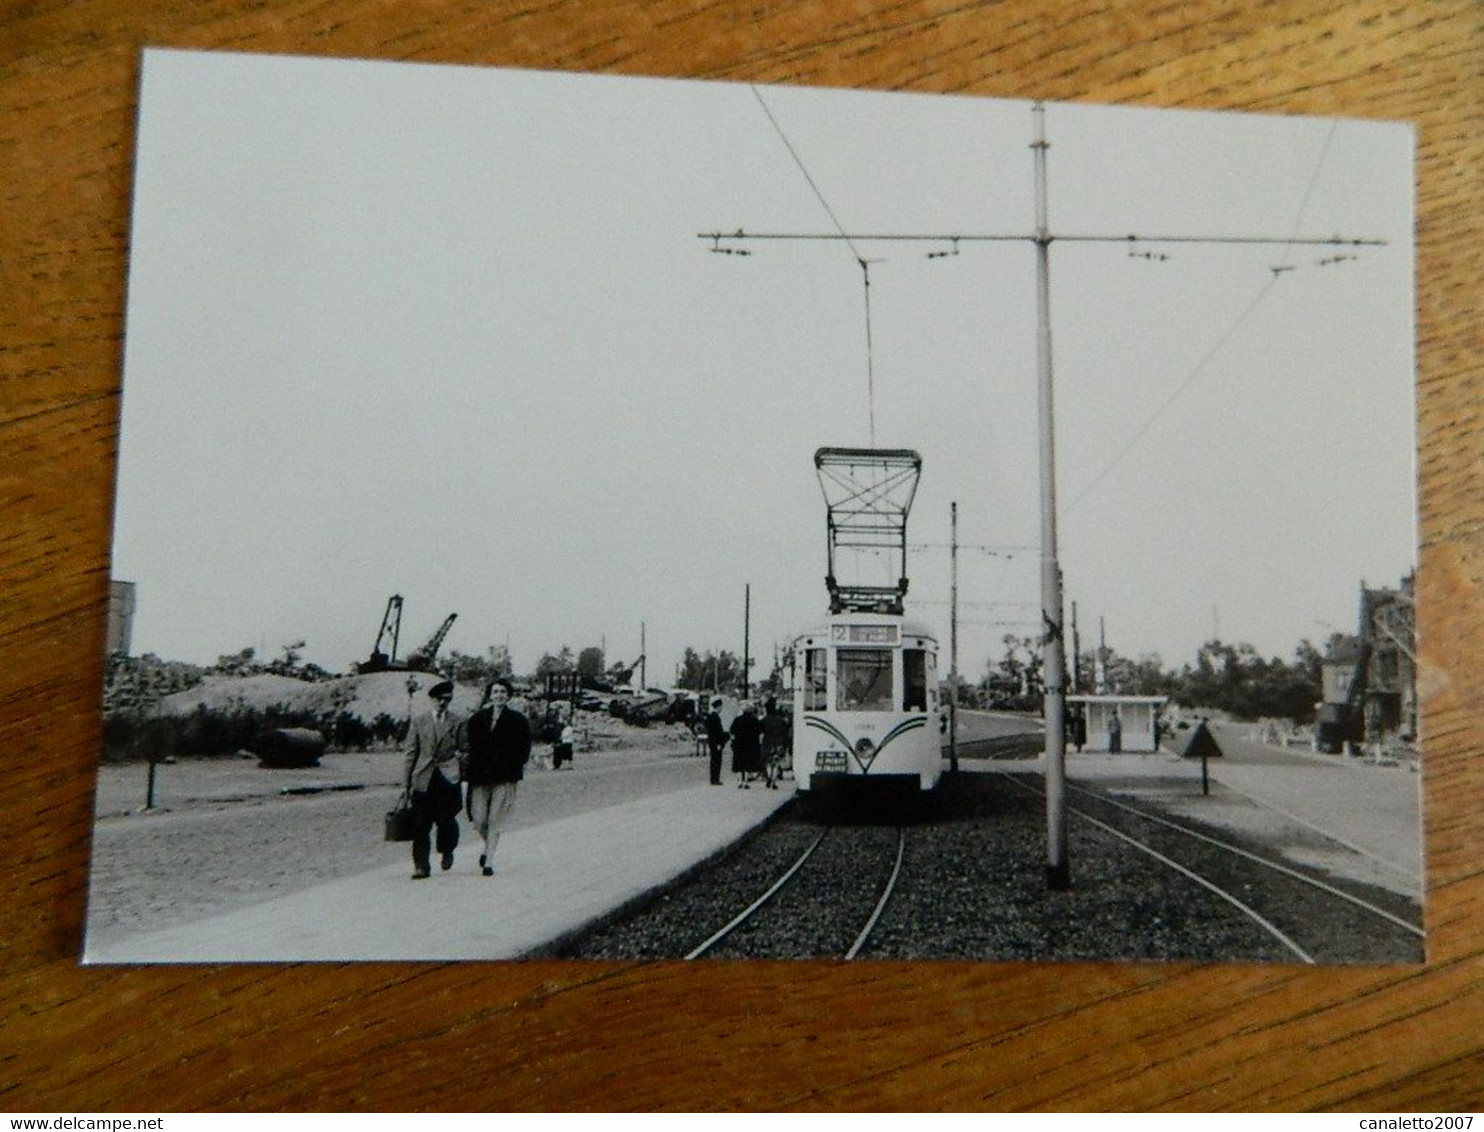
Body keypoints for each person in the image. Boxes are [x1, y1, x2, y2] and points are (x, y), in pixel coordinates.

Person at [461, 678, 532, 876]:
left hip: (504, 776)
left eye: (502, 692)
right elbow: (470, 748)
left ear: (508, 696)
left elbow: (524, 749)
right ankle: (487, 846)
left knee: (495, 819)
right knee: (478, 818)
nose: (499, 695)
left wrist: (513, 766)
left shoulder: (518, 720)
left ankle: (489, 861)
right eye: (495, 692)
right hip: (479, 776)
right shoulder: (477, 719)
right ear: (490, 695)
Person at [401, 679, 463, 880]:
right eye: (439, 699)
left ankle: (447, 849)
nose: (443, 703)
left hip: (448, 777)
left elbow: (466, 748)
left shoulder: (458, 722)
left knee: (446, 820)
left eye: (447, 699)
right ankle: (421, 866)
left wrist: (459, 764)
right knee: (421, 824)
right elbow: (410, 753)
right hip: (423, 778)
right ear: (432, 700)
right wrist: (406, 783)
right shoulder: (419, 722)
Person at [729, 700, 763, 788]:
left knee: (739, 764)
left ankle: (740, 781)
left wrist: (733, 742)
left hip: (739, 744)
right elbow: (759, 732)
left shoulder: (737, 720)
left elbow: (732, 731)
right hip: (750, 745)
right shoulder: (755, 720)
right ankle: (746, 782)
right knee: (748, 764)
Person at [761, 697, 790, 790]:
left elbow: (760, 731)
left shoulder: (764, 720)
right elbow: (786, 731)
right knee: (776, 763)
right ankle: (774, 781)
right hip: (778, 743)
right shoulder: (781, 720)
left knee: (768, 762)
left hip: (767, 742)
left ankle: (769, 776)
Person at [704, 698, 727, 786]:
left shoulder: (711, 716)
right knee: (716, 761)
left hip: (712, 742)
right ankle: (715, 779)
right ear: (718, 706)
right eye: (721, 707)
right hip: (716, 743)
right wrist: (723, 739)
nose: (721, 709)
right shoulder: (715, 717)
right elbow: (717, 732)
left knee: (714, 760)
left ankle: (714, 779)